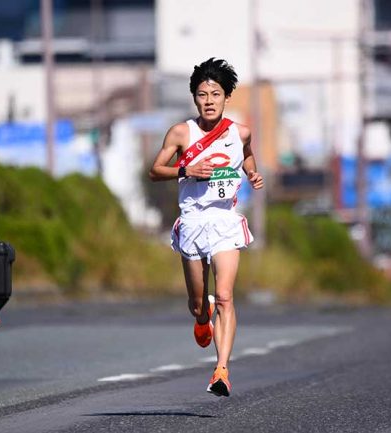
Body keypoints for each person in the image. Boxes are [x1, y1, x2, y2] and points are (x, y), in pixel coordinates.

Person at [149, 58, 264, 397]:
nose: (209, 100)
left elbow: (247, 155)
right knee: (199, 303)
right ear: (195, 98)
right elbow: (156, 170)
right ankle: (203, 317)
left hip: (225, 221)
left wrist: (253, 172)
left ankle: (222, 370)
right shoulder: (182, 132)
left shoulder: (239, 131)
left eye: (216, 93)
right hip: (193, 223)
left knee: (226, 296)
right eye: (202, 94)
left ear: (227, 96)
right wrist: (186, 170)